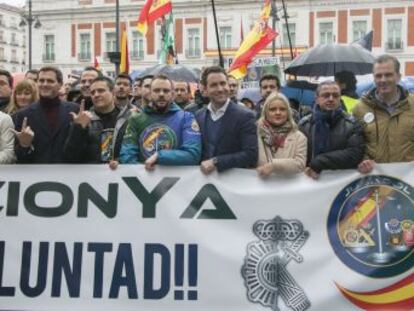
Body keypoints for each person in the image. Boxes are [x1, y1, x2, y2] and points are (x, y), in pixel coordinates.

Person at [118, 74, 201, 170]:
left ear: (172, 94)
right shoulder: (136, 119)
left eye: (166, 91)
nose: (161, 94)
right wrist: (142, 172)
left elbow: (193, 154)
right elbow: (127, 155)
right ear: (150, 93)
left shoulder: (186, 118)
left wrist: (159, 156)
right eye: (157, 90)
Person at [353, 54, 414, 174]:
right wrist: (363, 161)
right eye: (378, 76)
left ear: (398, 77)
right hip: (374, 182)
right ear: (374, 78)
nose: (383, 80)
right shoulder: (359, 109)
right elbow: (356, 145)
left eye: (388, 75)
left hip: (408, 182)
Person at [195, 66, 257, 174]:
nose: (220, 89)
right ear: (205, 90)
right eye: (214, 85)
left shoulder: (245, 116)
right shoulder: (199, 116)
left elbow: (251, 154)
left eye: (223, 83)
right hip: (205, 183)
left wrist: (216, 162)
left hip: (232, 184)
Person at [299, 81, 365, 179]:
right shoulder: (304, 125)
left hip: (340, 184)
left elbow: (355, 154)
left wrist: (319, 162)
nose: (331, 99)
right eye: (325, 95)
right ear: (317, 99)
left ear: (340, 98)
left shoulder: (352, 124)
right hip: (310, 183)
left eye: (335, 95)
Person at [13, 66, 79, 163]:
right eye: (41, 80)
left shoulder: (74, 109)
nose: (45, 84)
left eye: (50, 81)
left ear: (60, 84)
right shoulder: (23, 115)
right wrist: (25, 145)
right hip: (36, 175)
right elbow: (18, 157)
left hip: (67, 173)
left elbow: (81, 147)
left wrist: (81, 128)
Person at [64, 77, 130, 163]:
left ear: (113, 92)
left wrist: (120, 162)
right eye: (92, 92)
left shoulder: (128, 118)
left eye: (101, 90)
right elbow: (70, 156)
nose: (96, 95)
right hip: (92, 174)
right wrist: (78, 128)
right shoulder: (85, 119)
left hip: (122, 173)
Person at [257, 93, 307, 177]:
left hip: (287, 188)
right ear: (266, 112)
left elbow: (300, 164)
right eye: (272, 109)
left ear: (288, 112)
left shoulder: (299, 137)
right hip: (260, 186)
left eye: (282, 109)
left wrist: (274, 165)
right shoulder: (254, 134)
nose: (278, 112)